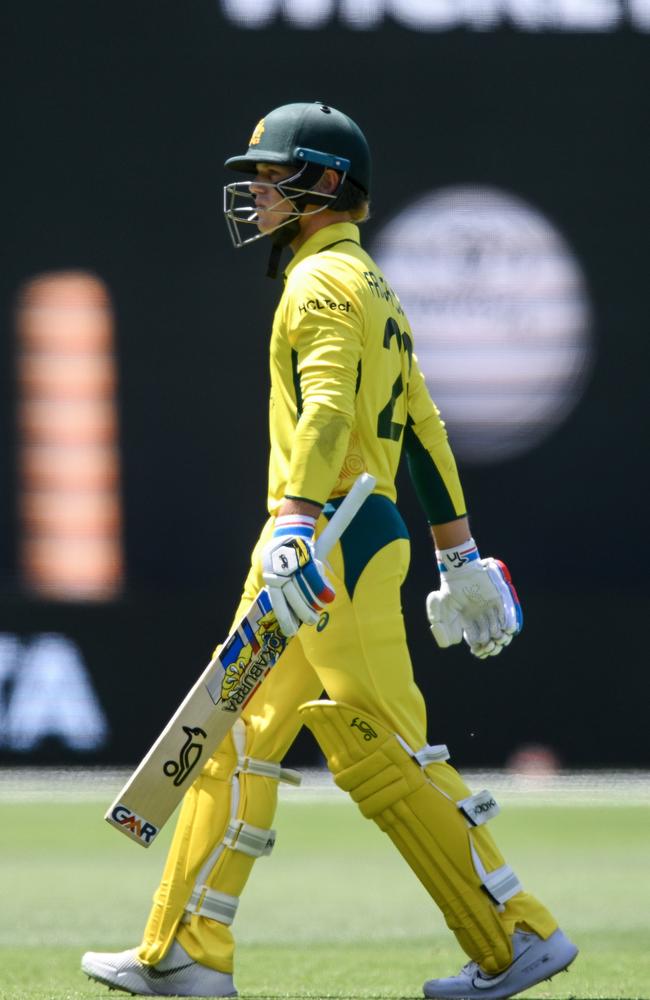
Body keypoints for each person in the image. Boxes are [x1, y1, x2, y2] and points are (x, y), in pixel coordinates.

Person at [81, 101, 577, 1000]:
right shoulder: (373, 286)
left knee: (382, 751)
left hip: (324, 546)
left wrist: (298, 521)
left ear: (323, 186)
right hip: (333, 539)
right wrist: (457, 554)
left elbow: (330, 412)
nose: (258, 193)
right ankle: (185, 951)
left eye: (273, 178)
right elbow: (421, 426)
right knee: (234, 733)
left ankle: (515, 934)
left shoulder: (317, 286)